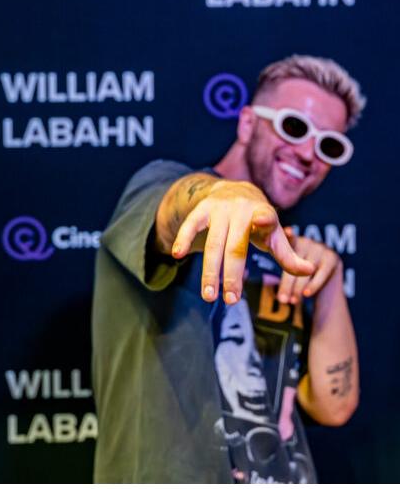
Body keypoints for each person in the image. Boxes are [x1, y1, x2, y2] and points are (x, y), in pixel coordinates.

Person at [91, 55, 364, 483]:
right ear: (247, 124)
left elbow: (334, 405)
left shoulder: (286, 255)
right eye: (295, 127)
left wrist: (329, 285)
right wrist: (222, 193)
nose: (310, 153)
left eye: (329, 145)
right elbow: (174, 211)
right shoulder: (163, 186)